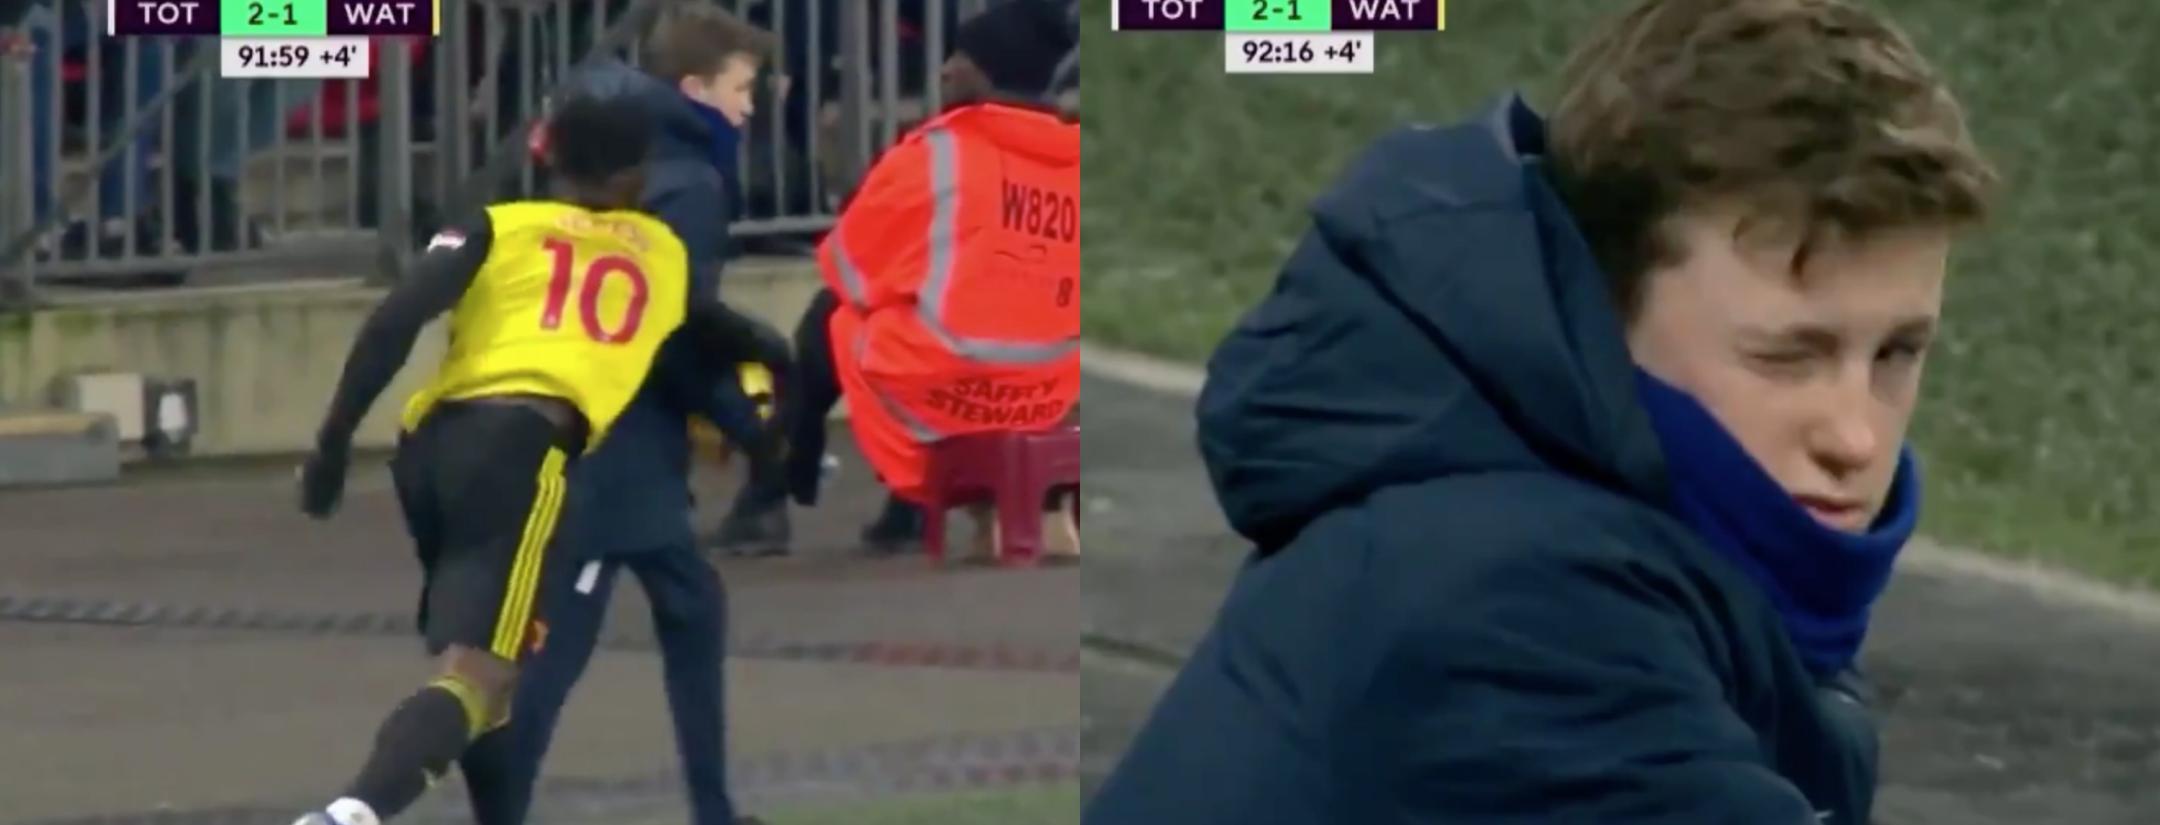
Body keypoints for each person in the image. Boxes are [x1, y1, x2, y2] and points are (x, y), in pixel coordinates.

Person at [1086, 0, 1997, 822]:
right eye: (1785, 356)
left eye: (1897, 354)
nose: (1857, 434)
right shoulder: (1522, 608)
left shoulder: (1656, 556)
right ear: (1604, 314)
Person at [287, 92, 783, 825]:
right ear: (637, 175)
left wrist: (330, 447)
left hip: (430, 453)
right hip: (527, 454)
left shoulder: (496, 224)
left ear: (545, 153)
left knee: (500, 677)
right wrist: (777, 432)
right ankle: (350, 813)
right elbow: (740, 341)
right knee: (480, 676)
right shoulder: (661, 252)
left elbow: (395, 319)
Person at [450, 6, 784, 825]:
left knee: (692, 606)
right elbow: (669, 331)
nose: (751, 106)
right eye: (744, 88)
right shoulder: (691, 186)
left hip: (592, 435)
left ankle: (715, 808)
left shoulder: (623, 153)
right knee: (557, 654)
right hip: (614, 454)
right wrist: (747, 422)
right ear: (698, 90)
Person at [763, 0, 1081, 561]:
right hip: (1052, 389)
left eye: (960, 57)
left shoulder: (936, 155)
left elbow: (848, 270)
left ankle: (783, 494)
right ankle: (1029, 515)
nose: (944, 68)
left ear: (986, 70)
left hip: (947, 389)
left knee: (833, 319)